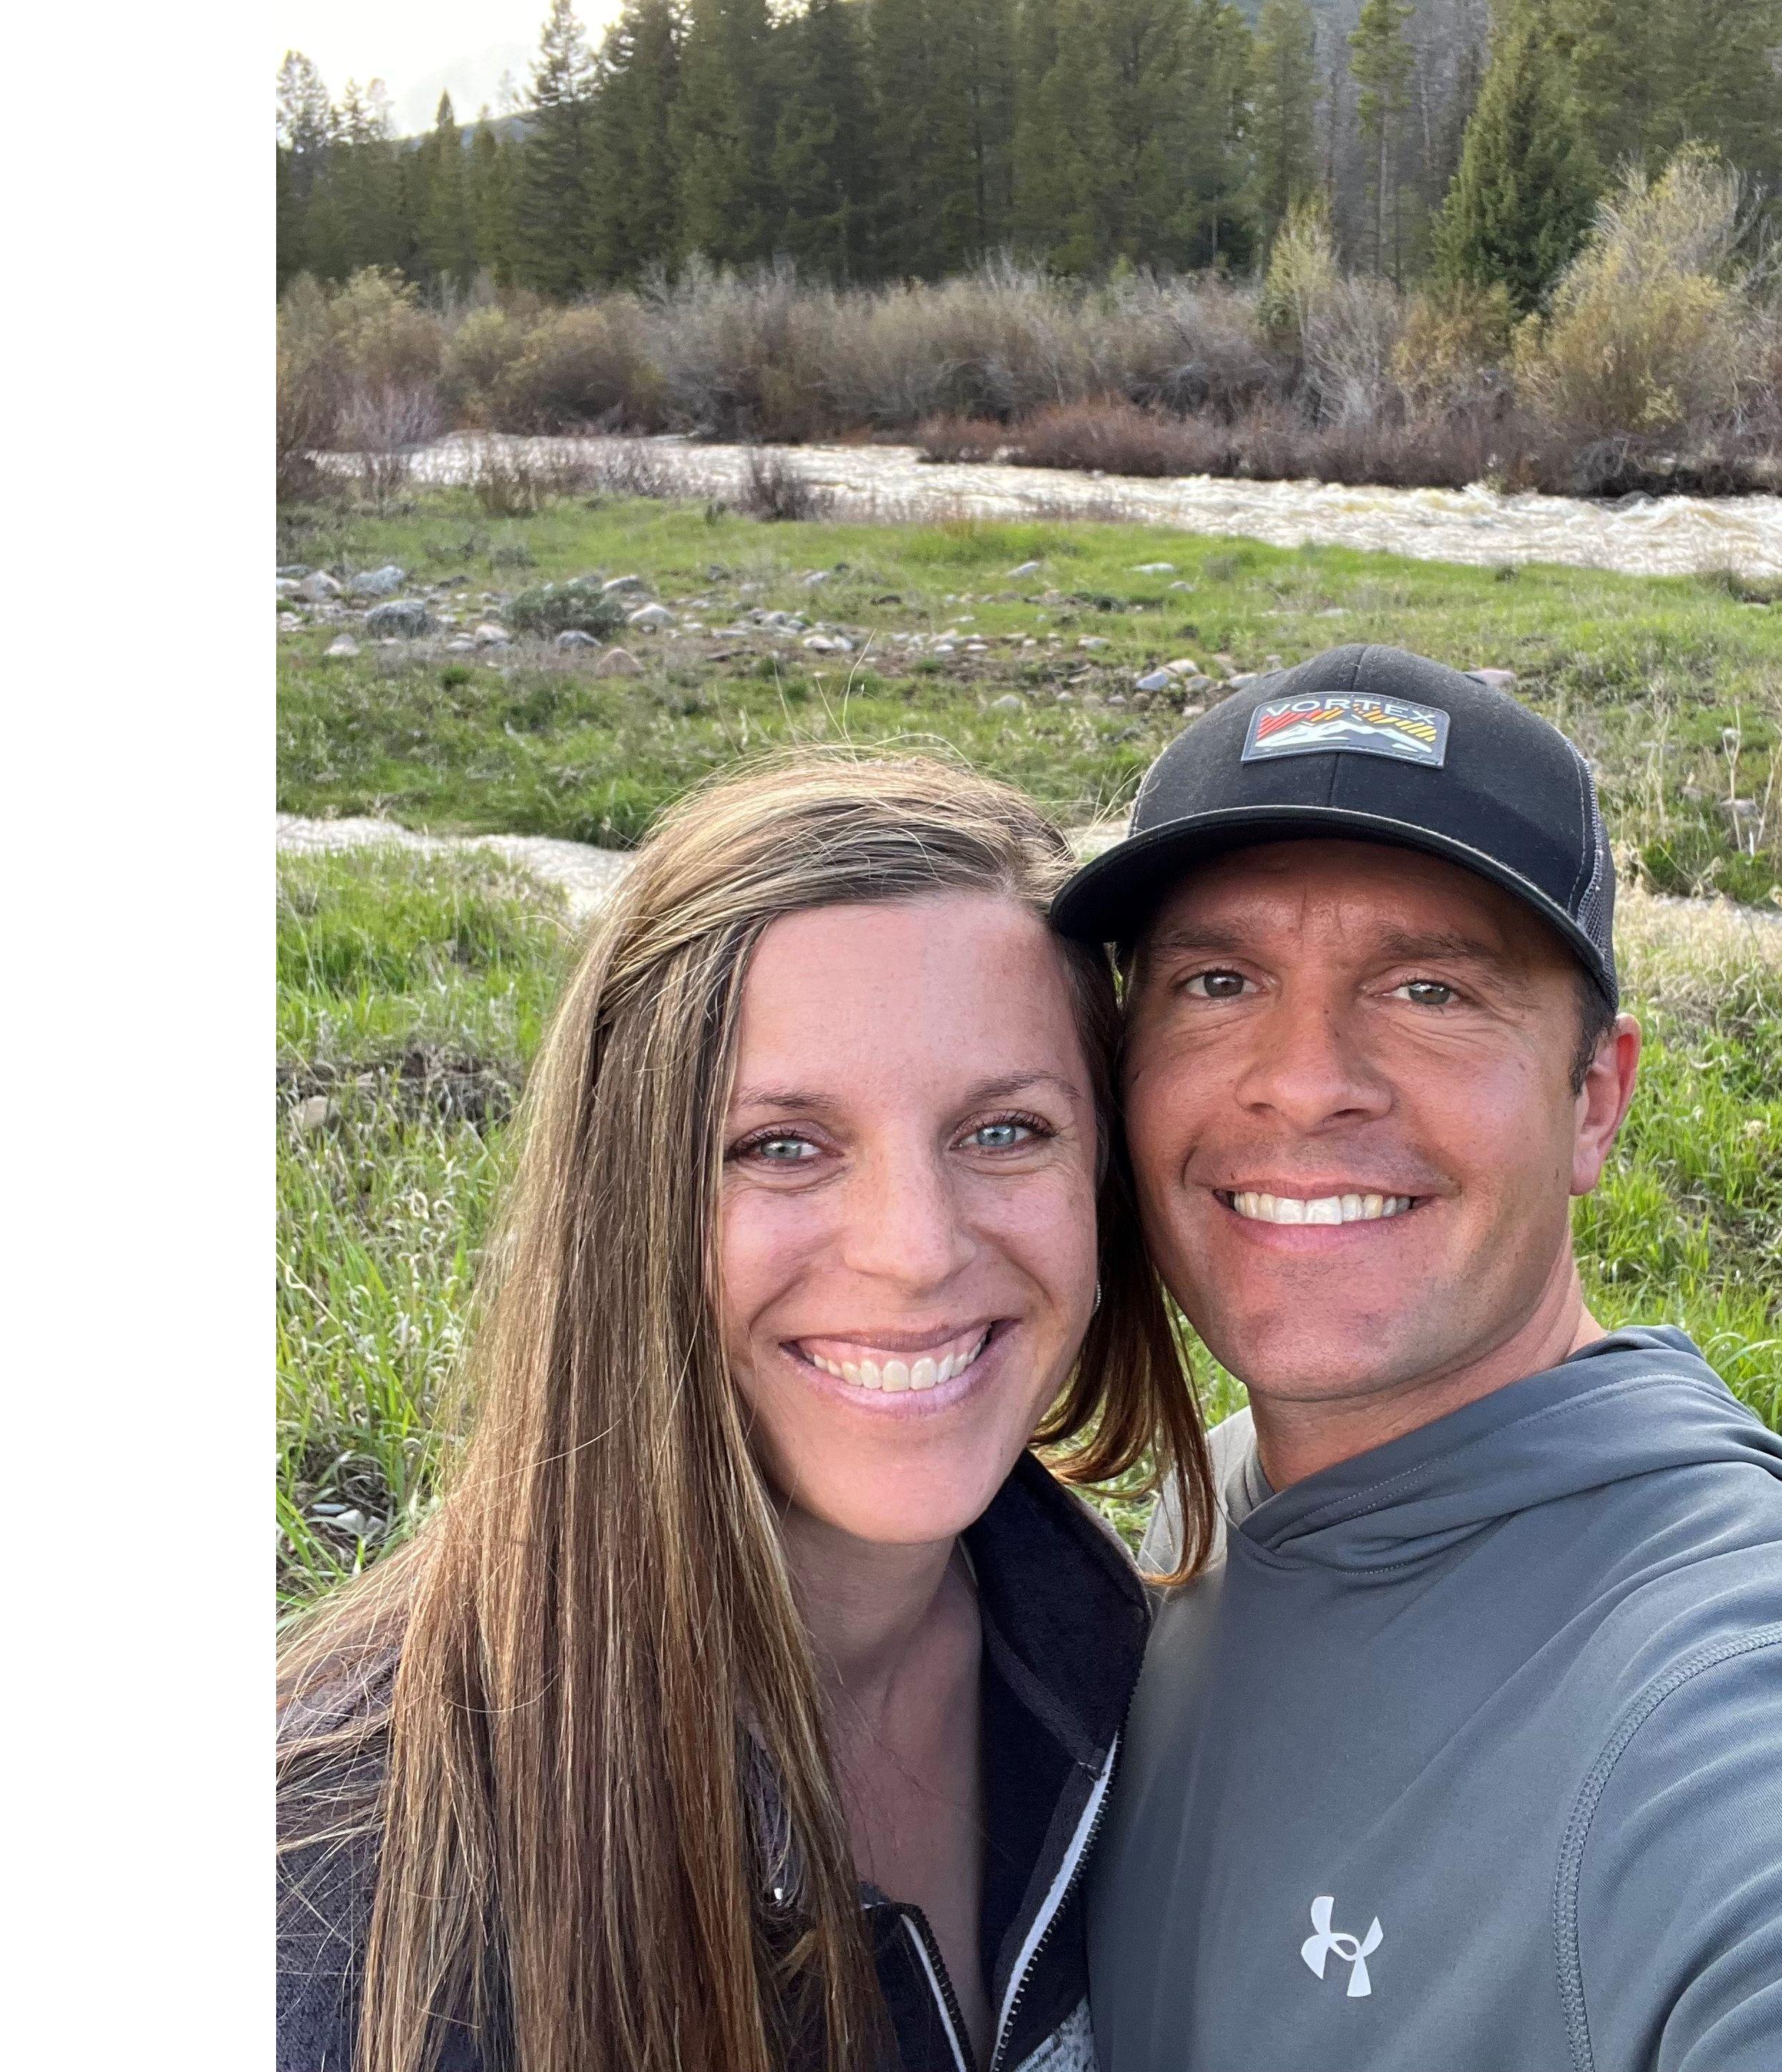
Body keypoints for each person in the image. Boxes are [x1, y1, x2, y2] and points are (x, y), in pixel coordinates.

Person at [1056, 645, 1782, 2072]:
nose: (1304, 1080)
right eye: (1217, 980)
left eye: (1429, 990)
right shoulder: (1210, 1504)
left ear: (1594, 1101)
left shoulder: (1739, 1698)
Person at [276, 754, 1215, 2072]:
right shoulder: (328, 1897)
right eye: (781, 1146)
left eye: (1004, 1131)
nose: (913, 1250)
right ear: (628, 1202)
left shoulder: (1133, 1663)